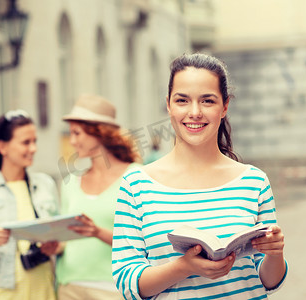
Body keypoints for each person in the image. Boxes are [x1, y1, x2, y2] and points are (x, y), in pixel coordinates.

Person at [112, 53, 287, 300]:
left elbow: (268, 281)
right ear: (168, 105)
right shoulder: (136, 185)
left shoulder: (254, 182)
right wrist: (184, 267)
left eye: (207, 101)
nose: (194, 112)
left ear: (224, 106)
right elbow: (126, 282)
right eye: (182, 100)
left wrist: (275, 253)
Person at [0, 109, 59, 300]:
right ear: (2, 147)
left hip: (42, 289)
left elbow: (61, 237)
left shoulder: (45, 184)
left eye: (34, 141)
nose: (33, 149)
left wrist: (55, 246)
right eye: (26, 142)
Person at [55, 94, 140, 300]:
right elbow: (67, 240)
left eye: (77, 133)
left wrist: (97, 232)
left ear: (99, 133)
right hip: (69, 286)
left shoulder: (136, 177)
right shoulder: (71, 183)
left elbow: (143, 242)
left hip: (114, 288)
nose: (72, 141)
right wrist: (52, 245)